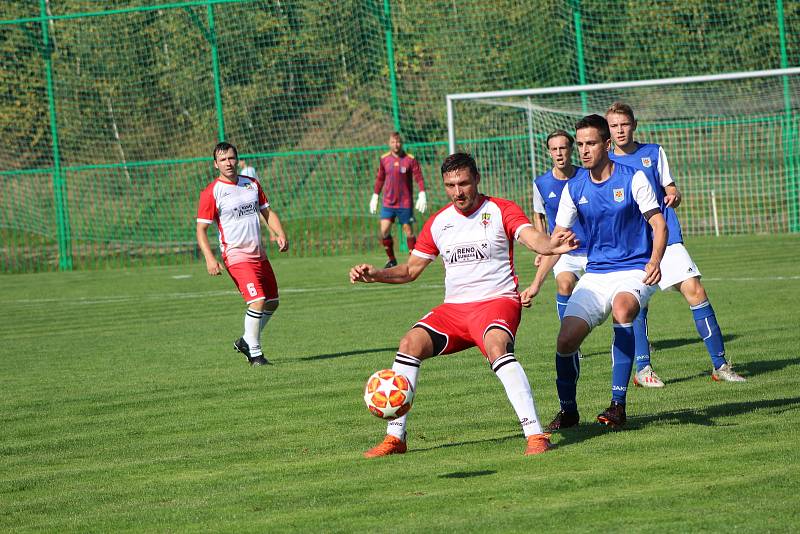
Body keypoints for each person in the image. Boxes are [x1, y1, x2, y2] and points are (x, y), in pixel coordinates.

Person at [350, 152, 579, 457]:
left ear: (477, 180)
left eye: (463, 183)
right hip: (454, 311)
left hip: (496, 302)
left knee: (497, 348)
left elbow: (531, 238)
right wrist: (376, 274)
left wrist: (550, 244)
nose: (458, 192)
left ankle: (536, 434)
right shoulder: (439, 222)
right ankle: (395, 438)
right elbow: (409, 270)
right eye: (450, 185)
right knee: (409, 343)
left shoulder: (501, 209)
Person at [606, 102, 745, 384]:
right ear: (608, 130)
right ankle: (643, 370)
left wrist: (674, 196)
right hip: (632, 246)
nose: (620, 130)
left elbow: (671, 189)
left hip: (665, 236)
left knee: (696, 290)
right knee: (636, 305)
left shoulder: (653, 153)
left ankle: (720, 365)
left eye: (624, 124)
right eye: (614, 126)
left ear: (634, 125)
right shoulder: (605, 163)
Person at [545, 114, 667, 431]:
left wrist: (655, 260)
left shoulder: (633, 178)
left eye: (591, 143)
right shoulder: (575, 187)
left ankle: (617, 405)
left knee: (623, 310)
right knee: (565, 339)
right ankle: (569, 410)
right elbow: (557, 235)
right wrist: (547, 252)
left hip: (635, 268)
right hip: (596, 274)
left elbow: (658, 223)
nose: (584, 150)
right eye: (581, 144)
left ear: (607, 144)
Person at [196, 142, 289, 367]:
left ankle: (246, 340)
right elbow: (201, 229)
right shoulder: (212, 192)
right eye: (223, 160)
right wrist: (210, 257)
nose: (228, 163)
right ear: (215, 164)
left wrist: (280, 233)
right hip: (236, 256)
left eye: (231, 158)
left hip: (259, 254)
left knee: (272, 302)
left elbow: (267, 211)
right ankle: (255, 354)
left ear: (237, 159)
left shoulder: (251, 184)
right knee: (257, 301)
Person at [521, 131, 588, 327]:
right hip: (563, 251)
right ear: (549, 152)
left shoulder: (586, 176)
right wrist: (543, 247)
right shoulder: (541, 184)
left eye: (563, 148)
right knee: (564, 284)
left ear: (571, 150)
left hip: (594, 248)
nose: (559, 153)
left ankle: (635, 339)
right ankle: (569, 342)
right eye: (554, 149)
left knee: (614, 293)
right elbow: (538, 215)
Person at [370, 132, 427, 268]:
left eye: (398, 142)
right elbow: (380, 178)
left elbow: (418, 176)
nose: (396, 145)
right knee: (384, 230)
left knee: (408, 230)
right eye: (393, 142)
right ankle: (391, 259)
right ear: (389, 143)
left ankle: (412, 260)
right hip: (388, 202)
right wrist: (375, 195)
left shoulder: (410, 159)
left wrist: (422, 193)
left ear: (401, 143)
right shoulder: (384, 159)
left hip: (405, 202)